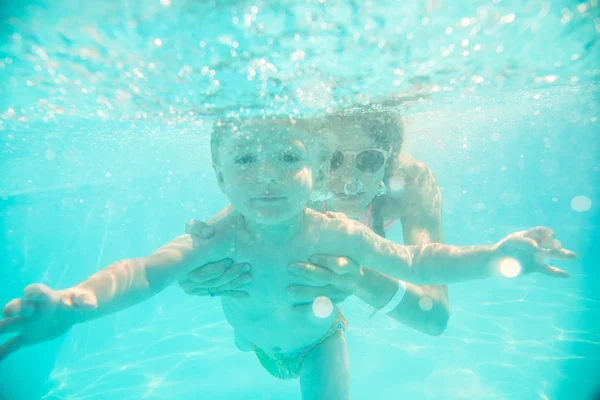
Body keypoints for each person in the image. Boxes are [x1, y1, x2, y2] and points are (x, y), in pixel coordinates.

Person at [0, 116, 576, 400]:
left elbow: (418, 262)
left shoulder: (338, 232)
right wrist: (78, 304)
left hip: (317, 341)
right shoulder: (216, 236)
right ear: (219, 176)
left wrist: (495, 255)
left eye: (287, 158)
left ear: (311, 169)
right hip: (252, 337)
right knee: (247, 336)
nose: (268, 174)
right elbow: (142, 272)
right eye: (246, 161)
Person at [181, 106, 451, 335]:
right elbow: (204, 248)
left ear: (387, 158)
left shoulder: (411, 184)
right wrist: (191, 269)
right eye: (333, 160)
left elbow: (434, 317)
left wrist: (358, 280)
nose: (347, 180)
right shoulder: (296, 178)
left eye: (368, 160)